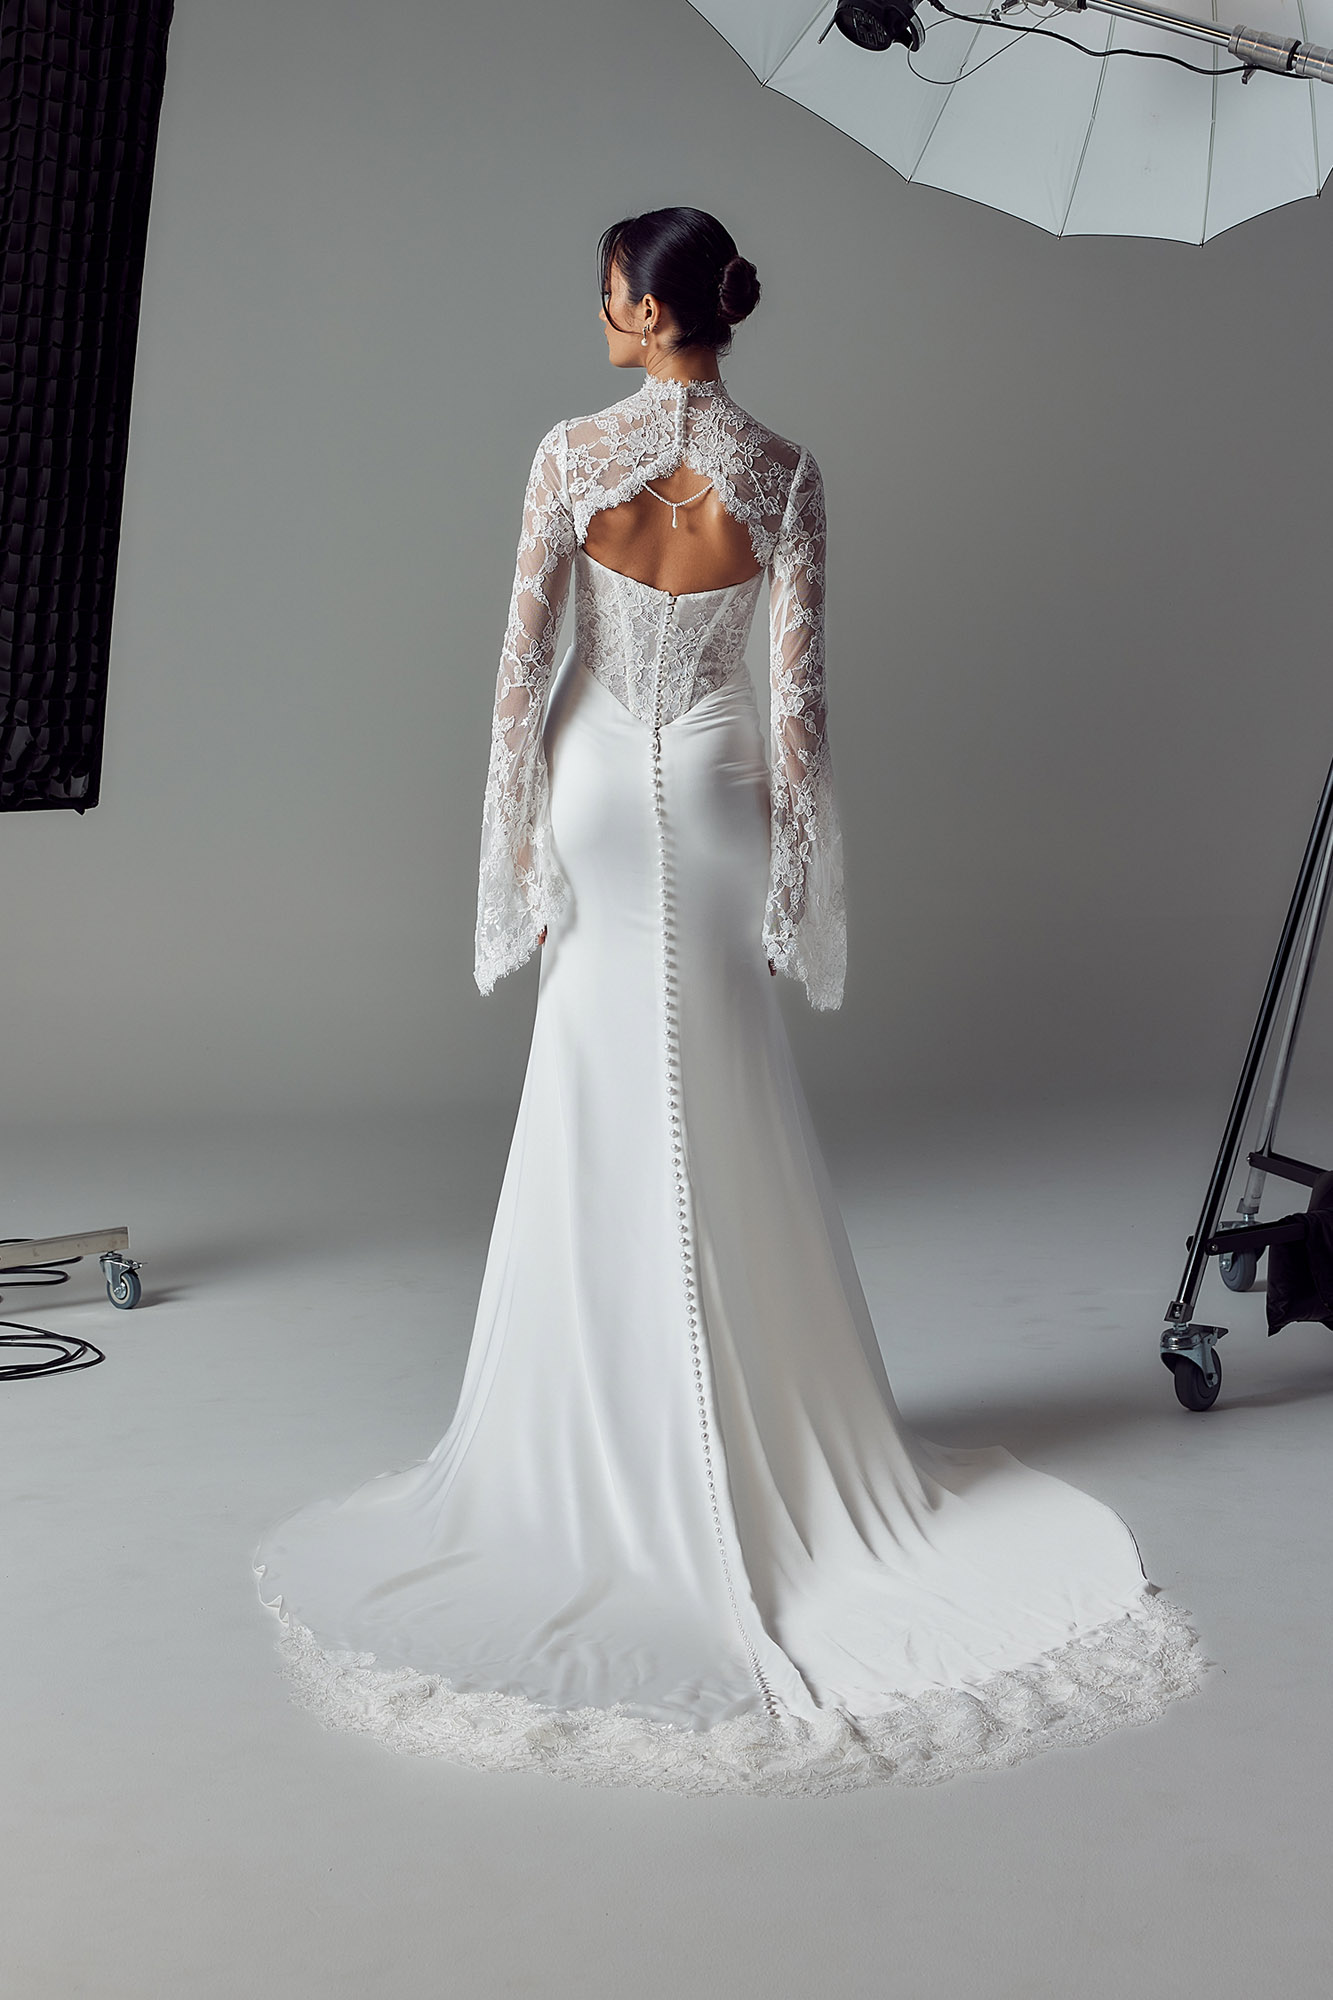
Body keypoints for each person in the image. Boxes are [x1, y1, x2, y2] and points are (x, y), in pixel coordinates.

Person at [253, 206, 1206, 1796]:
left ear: (648, 311)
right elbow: (799, 702)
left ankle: (592, 1437)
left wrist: (514, 850)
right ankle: (762, 1440)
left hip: (593, 795)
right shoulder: (787, 472)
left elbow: (520, 674)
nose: (597, 312)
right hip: (710, 793)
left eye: (607, 293)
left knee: (594, 1091)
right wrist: (789, 884)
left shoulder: (570, 456)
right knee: (721, 1087)